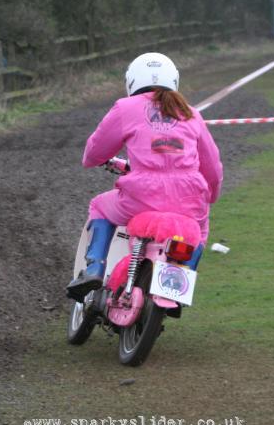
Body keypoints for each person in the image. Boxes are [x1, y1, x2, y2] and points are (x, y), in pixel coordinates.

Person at [66, 52, 223, 301]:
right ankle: (178, 283)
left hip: (141, 197)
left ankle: (95, 267)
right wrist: (211, 195)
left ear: (131, 81)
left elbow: (94, 153)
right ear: (174, 80)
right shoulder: (191, 113)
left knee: (99, 206)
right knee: (200, 230)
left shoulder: (125, 108)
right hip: (191, 199)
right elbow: (213, 165)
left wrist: (92, 160)